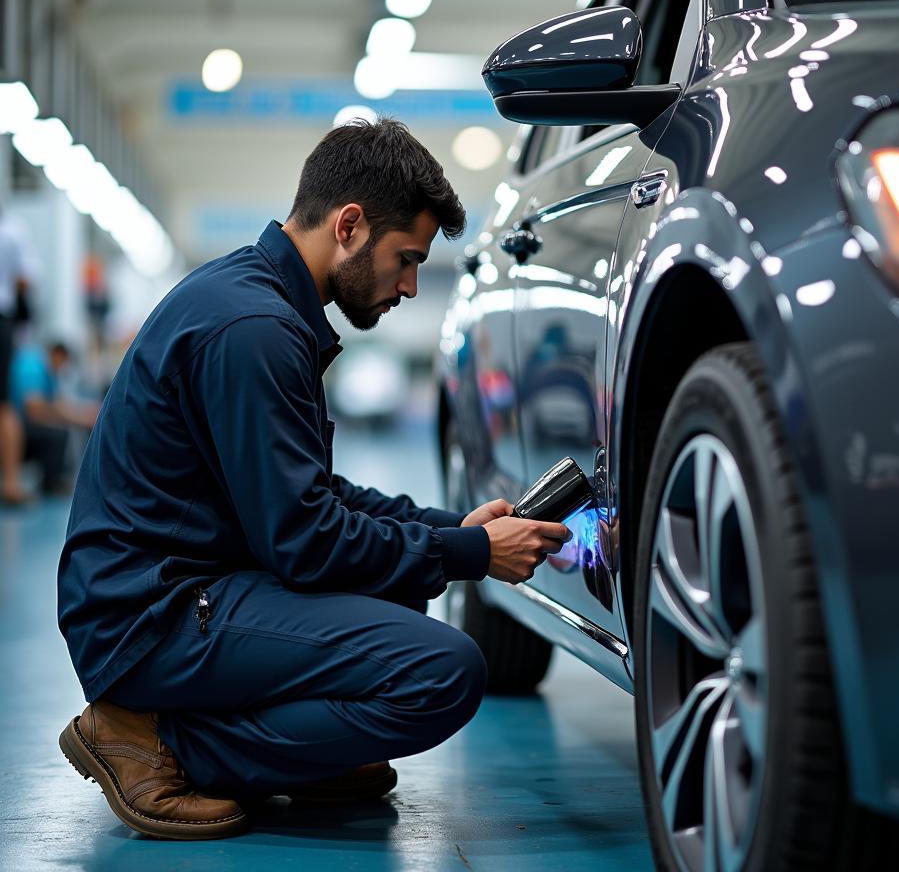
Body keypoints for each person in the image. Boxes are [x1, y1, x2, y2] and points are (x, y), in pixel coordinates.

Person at [56, 117, 572, 841]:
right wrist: (471, 558)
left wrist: (450, 529)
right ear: (351, 226)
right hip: (152, 616)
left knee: (399, 590)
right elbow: (302, 540)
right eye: (407, 258)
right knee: (445, 671)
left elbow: (313, 498)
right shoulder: (253, 328)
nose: (412, 286)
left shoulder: (262, 305)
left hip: (179, 589)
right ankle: (155, 740)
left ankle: (282, 752)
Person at [9, 340, 98, 495]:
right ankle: (51, 483)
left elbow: (57, 404)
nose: (62, 369)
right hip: (17, 425)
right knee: (57, 433)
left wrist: (85, 415)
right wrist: (80, 418)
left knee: (61, 429)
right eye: (63, 363)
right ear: (57, 355)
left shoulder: (46, 372)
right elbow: (35, 410)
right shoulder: (33, 367)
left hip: (22, 422)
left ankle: (53, 479)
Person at [0, 206, 33, 505]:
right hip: (3, 318)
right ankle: (10, 483)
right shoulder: (12, 229)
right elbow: (25, 280)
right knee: (5, 405)